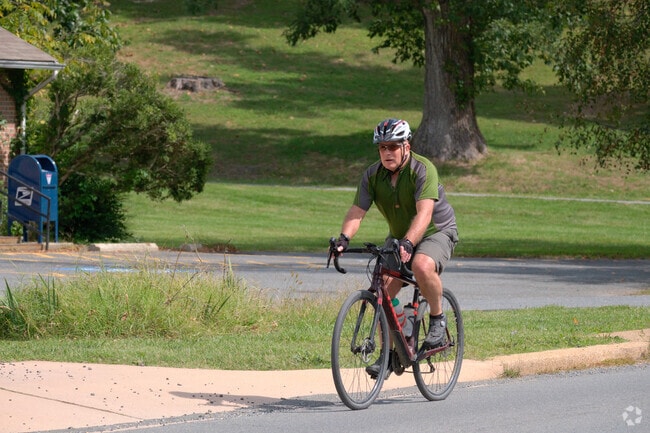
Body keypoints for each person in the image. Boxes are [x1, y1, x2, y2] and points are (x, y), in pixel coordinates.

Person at [333, 118, 459, 378]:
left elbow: (424, 214)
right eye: (382, 148)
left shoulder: (423, 169)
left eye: (393, 146)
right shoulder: (372, 175)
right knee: (384, 288)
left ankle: (437, 318)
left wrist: (410, 243)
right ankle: (393, 350)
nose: (387, 153)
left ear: (406, 146)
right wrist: (343, 239)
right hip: (401, 236)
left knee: (421, 265)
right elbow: (357, 211)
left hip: (437, 231)